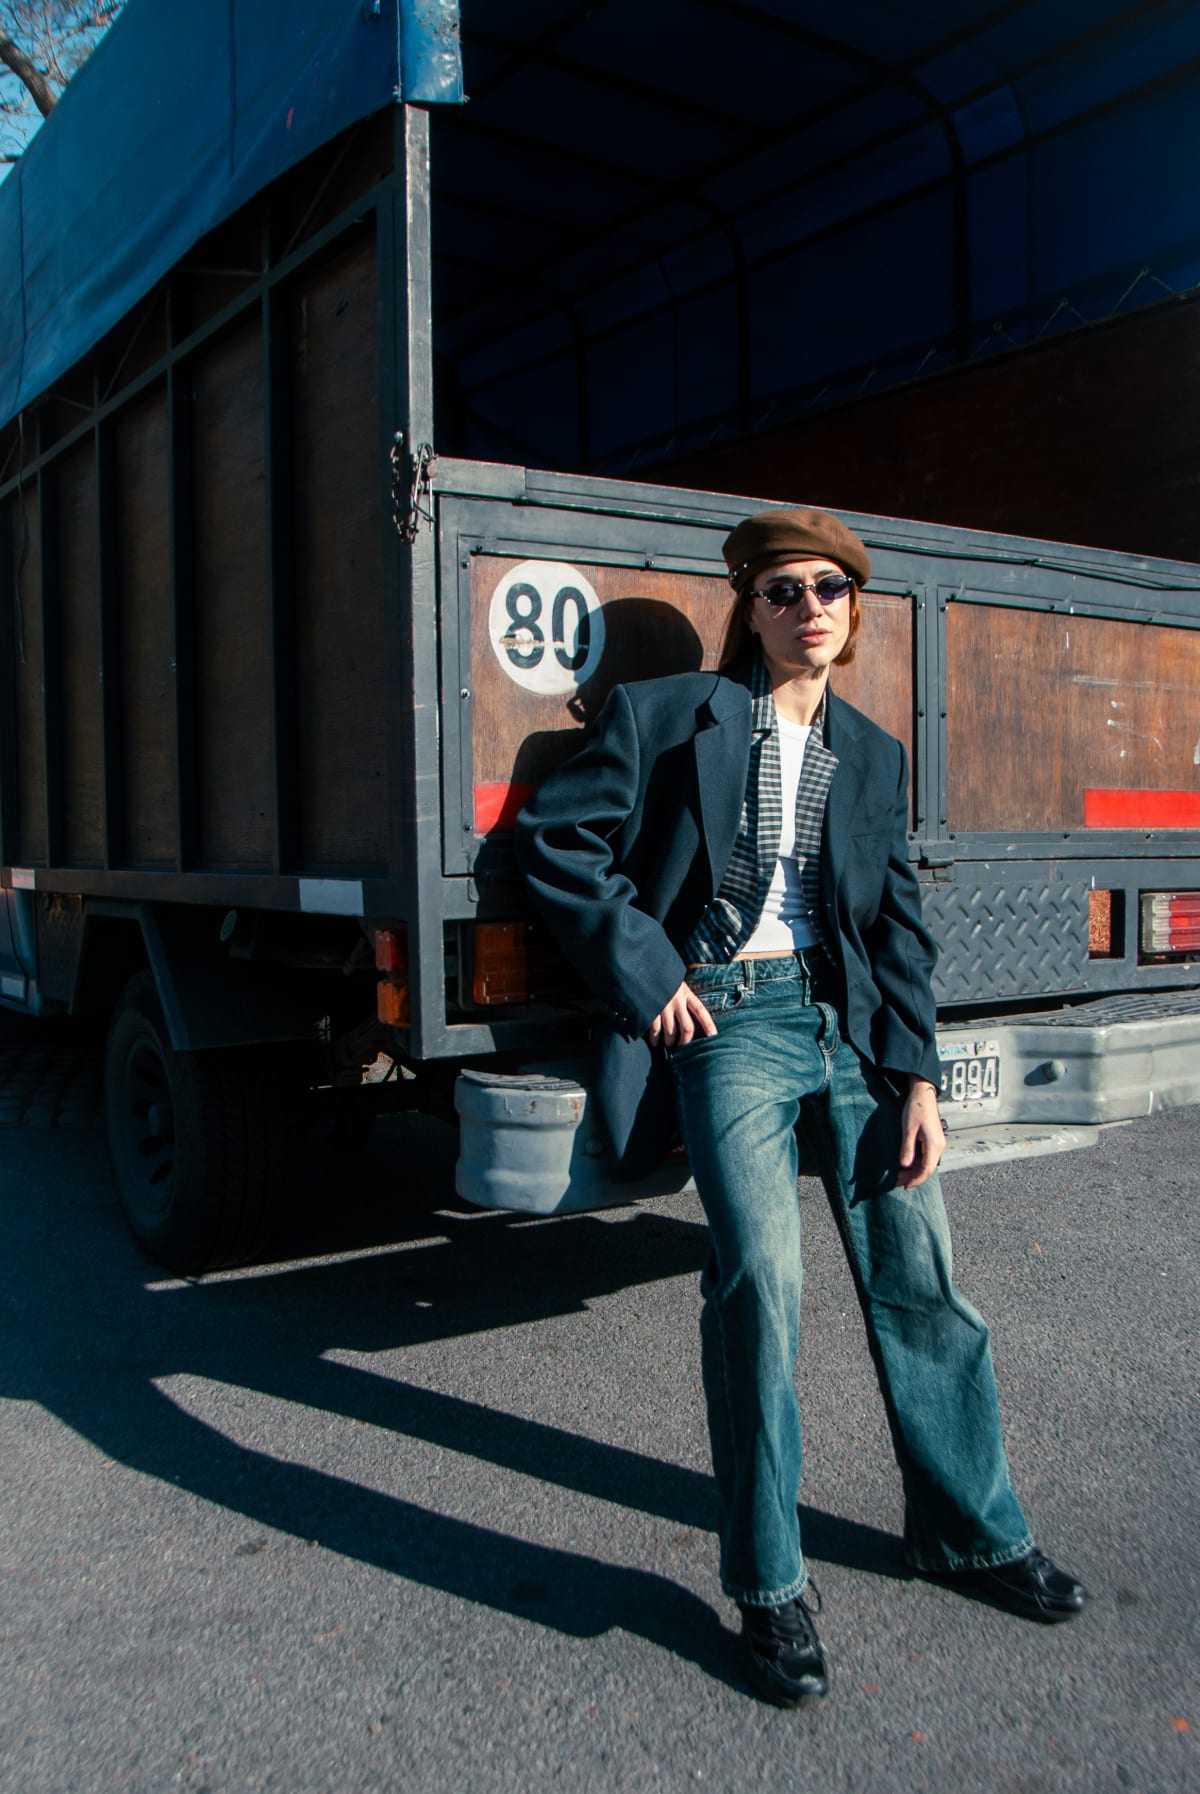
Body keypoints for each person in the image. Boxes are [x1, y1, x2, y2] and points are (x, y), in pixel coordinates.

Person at [514, 507, 1087, 1709]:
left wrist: (917, 1075)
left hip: (852, 1031)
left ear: (853, 610)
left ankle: (972, 1534)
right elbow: (558, 841)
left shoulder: (872, 752)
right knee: (761, 1285)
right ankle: (769, 1585)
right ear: (751, 608)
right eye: (783, 589)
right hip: (728, 1018)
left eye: (828, 588)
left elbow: (897, 925)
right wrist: (650, 973)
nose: (808, 607)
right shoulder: (668, 714)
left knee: (923, 1277)